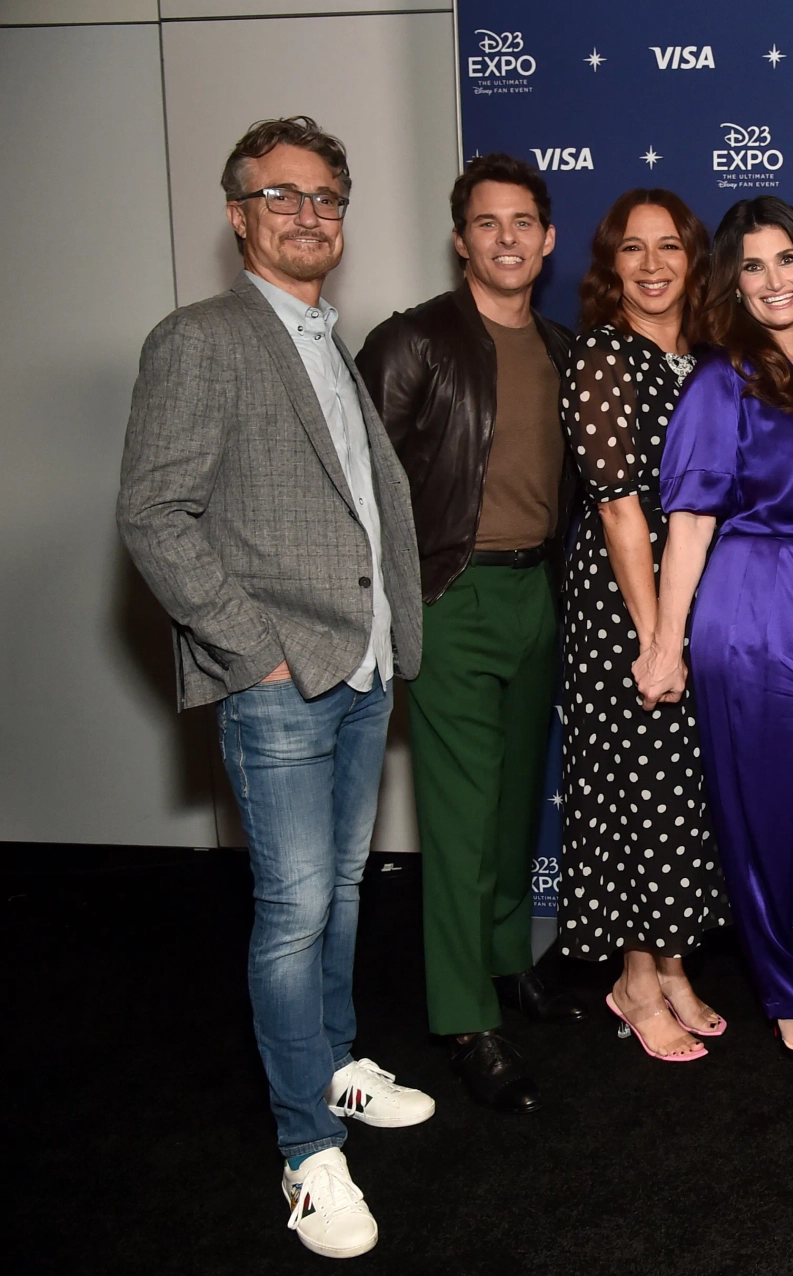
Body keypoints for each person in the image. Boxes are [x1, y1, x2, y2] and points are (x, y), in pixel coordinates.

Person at [118, 116, 431, 1259]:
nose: (311, 215)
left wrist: (388, 637)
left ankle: (337, 1065)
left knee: (343, 890)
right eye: (283, 195)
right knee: (293, 910)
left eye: (328, 199)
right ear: (240, 212)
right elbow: (154, 513)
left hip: (357, 668)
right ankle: (307, 1150)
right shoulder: (201, 338)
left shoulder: (323, 341)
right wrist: (258, 651)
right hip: (281, 678)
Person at [637, 196, 793, 1071]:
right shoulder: (722, 380)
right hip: (747, 602)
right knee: (760, 817)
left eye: (786, 260)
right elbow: (689, 525)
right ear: (733, 285)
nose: (774, 280)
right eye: (752, 266)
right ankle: (789, 998)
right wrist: (667, 643)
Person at [357, 153, 585, 1116]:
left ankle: (505, 963)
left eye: (522, 221)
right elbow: (356, 483)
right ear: (462, 239)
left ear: (547, 239)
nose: (506, 238)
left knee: (510, 803)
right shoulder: (412, 342)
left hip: (541, 592)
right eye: (487, 223)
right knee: (456, 816)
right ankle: (463, 1019)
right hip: (451, 596)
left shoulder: (566, 349)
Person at [556, 188, 728, 1061]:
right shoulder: (601, 356)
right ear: (609, 265)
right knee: (635, 788)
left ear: (693, 261)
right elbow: (621, 510)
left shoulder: (702, 358)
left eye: (670, 247)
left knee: (684, 792)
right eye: (634, 249)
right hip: (628, 606)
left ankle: (671, 964)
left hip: (692, 600)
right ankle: (632, 980)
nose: (654, 265)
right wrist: (658, 637)